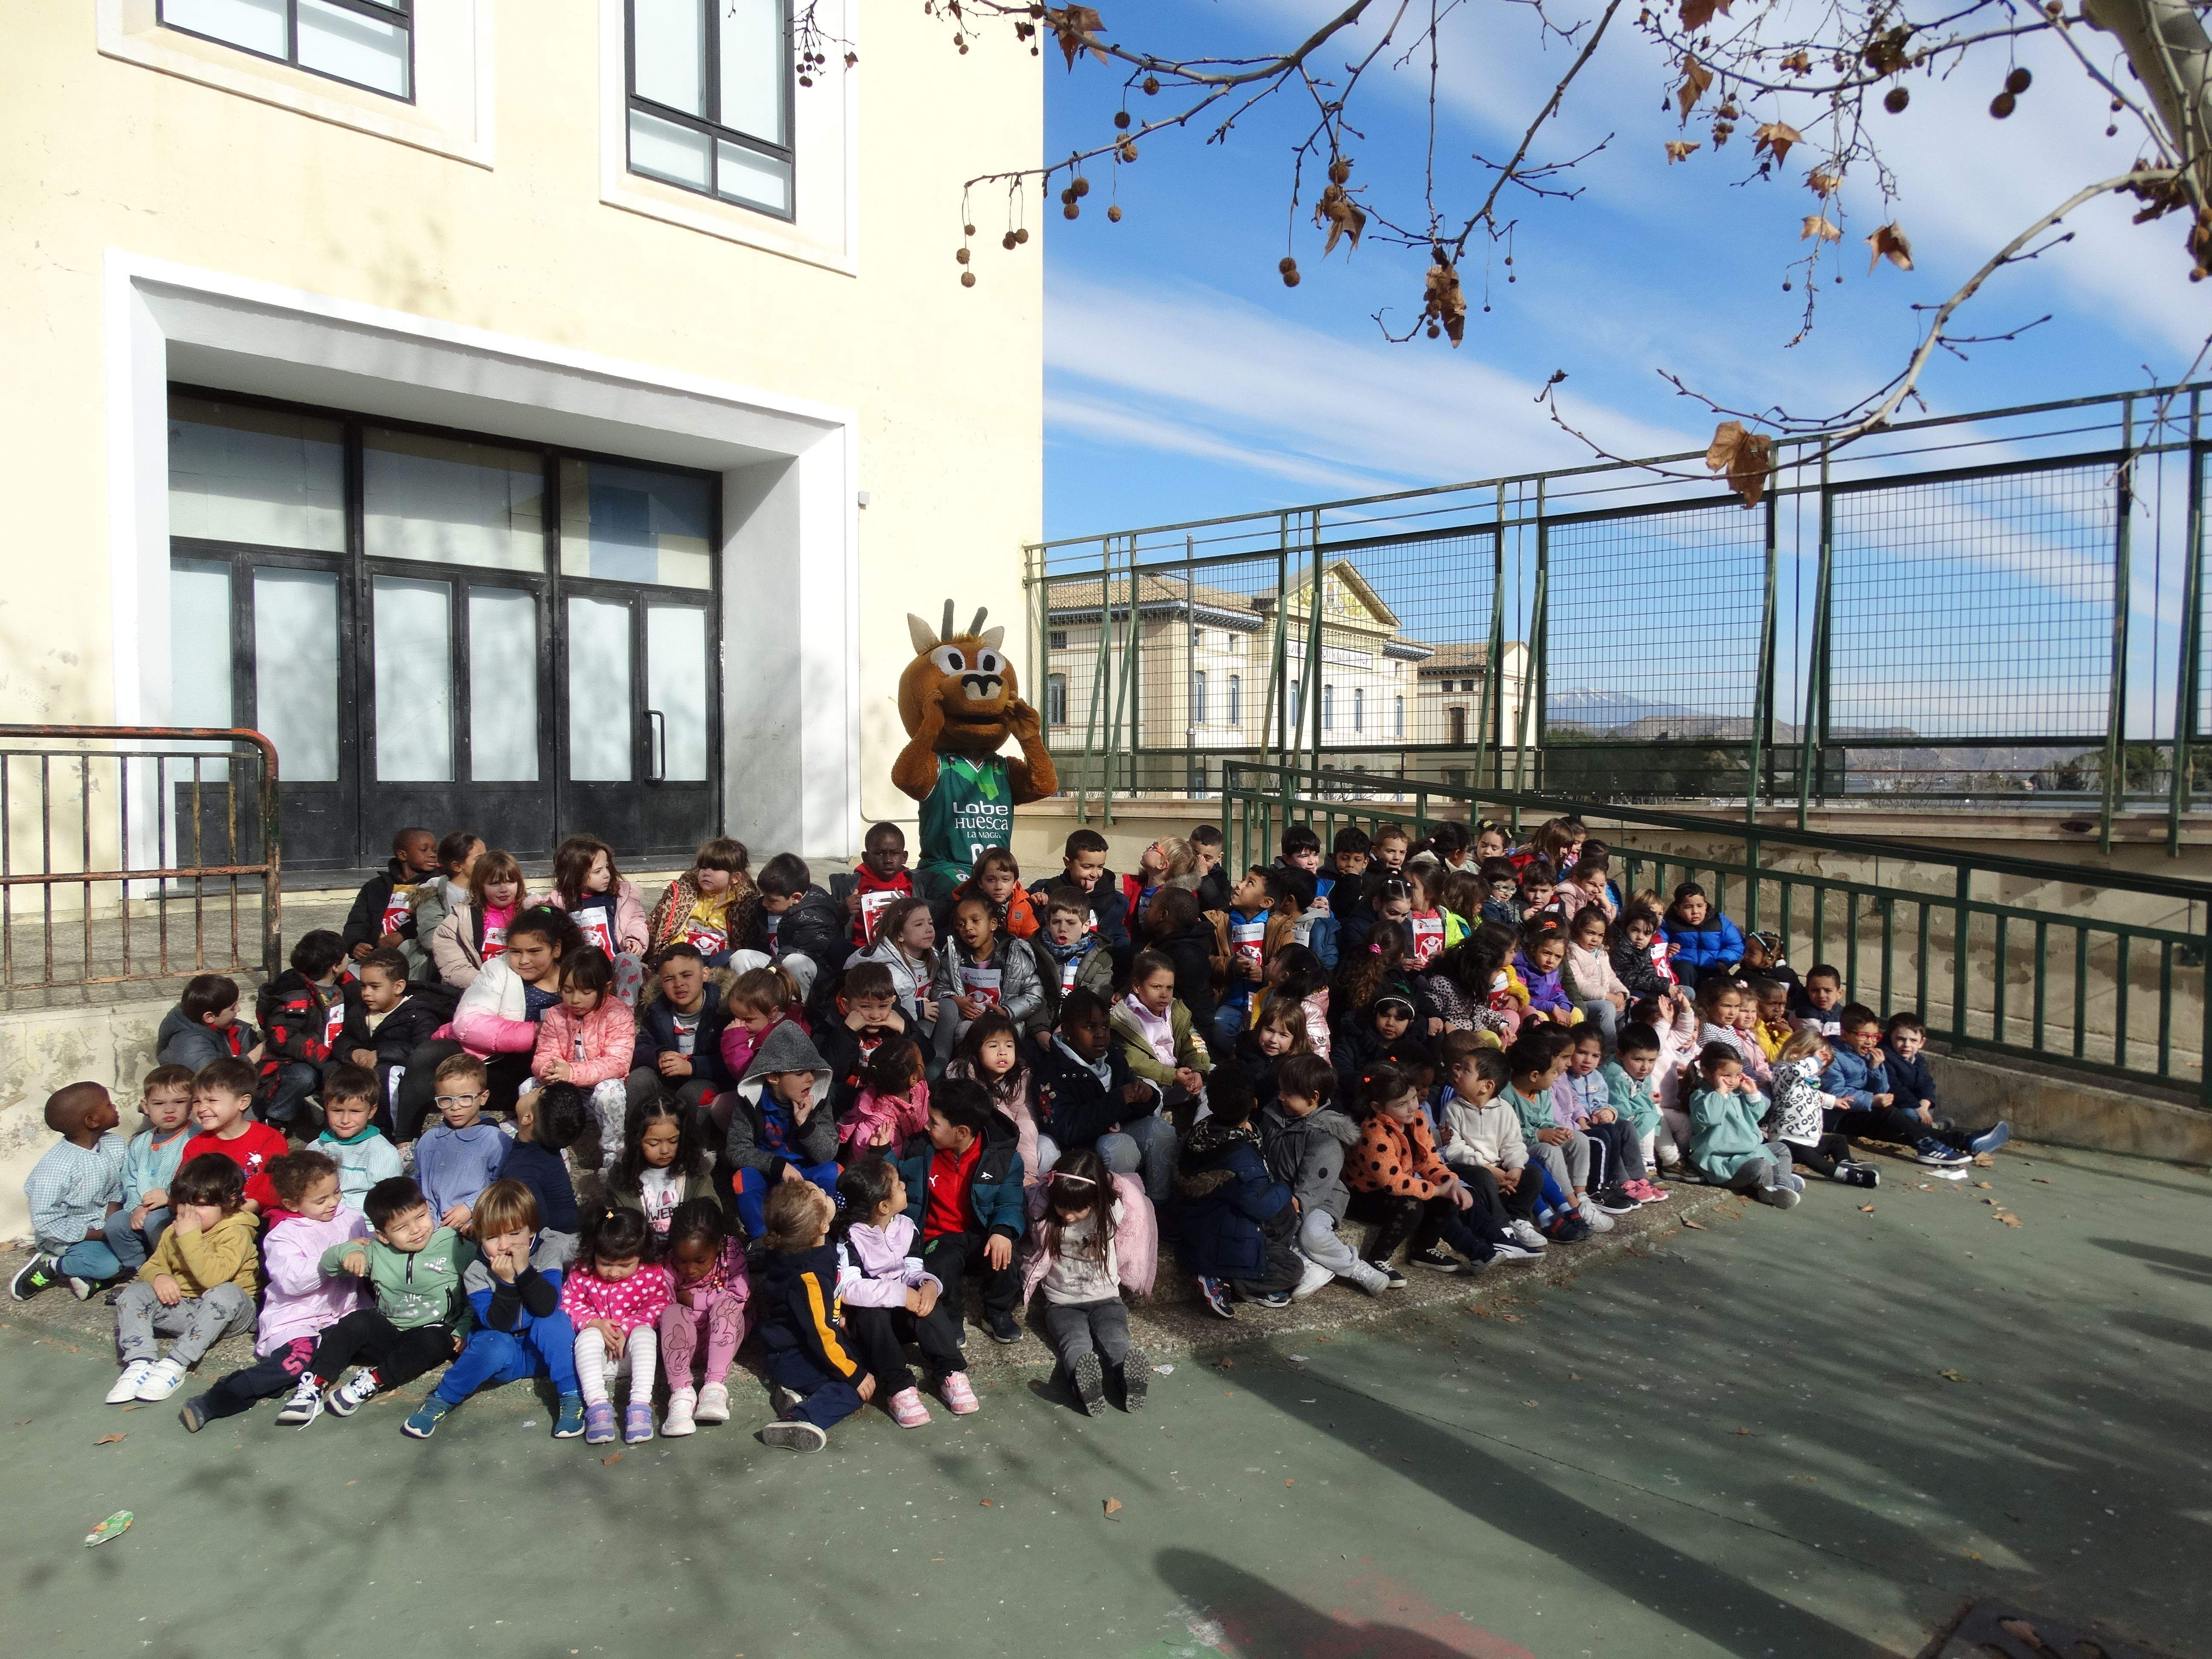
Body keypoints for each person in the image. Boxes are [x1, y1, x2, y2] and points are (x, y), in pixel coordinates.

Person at [182, 1151, 366, 1429]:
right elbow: (293, 1281)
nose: (333, 1203)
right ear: (292, 1204)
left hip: (344, 1314)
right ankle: (219, 1398)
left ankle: (287, 1387)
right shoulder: (283, 1235)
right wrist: (337, 1257)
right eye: (321, 1200)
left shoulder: (351, 1218)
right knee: (295, 1362)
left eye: (337, 1192)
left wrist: (372, 1246)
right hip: (298, 1319)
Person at [402, 1179, 584, 1441]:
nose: (503, 1246)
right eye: (492, 1237)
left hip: (542, 1354)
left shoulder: (547, 1252)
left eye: (514, 1234)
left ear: (532, 1230)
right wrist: (507, 1283)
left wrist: (524, 1271)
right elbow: (499, 1324)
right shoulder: (478, 1271)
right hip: (504, 1357)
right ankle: (442, 1399)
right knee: (492, 1342)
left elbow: (546, 1306)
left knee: (554, 1322)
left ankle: (571, 1395)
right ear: (479, 1236)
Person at [289, 1175, 474, 1426]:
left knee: (436, 1341)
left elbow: (477, 1291)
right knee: (356, 1321)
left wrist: (464, 1328)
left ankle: (372, 1381)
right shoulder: (377, 1251)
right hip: (389, 1333)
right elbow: (328, 1264)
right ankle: (317, 1383)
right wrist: (350, 1250)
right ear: (384, 1236)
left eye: (420, 1217)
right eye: (401, 1227)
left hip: (433, 1332)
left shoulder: (454, 1245)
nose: (416, 1229)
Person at [399, 905, 579, 1138]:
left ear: (556, 949)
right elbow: (467, 1023)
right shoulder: (497, 969)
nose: (524, 960)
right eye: (516, 952)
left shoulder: (575, 977)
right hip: (498, 1065)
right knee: (429, 1054)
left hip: (552, 1070)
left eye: (534, 951)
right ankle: (404, 1141)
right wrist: (535, 1031)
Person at [102, 1153, 258, 1403]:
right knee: (133, 1293)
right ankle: (140, 1361)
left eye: (202, 1205)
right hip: (187, 1309)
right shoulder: (174, 1230)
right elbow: (151, 1266)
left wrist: (190, 1237)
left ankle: (176, 1364)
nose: (191, 1213)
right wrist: (160, 1276)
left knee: (224, 1293)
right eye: (185, 1205)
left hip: (230, 1314)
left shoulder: (235, 1232)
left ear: (229, 1203)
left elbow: (214, 1278)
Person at [835, 1156, 976, 1426]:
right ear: (884, 1206)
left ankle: (951, 1371)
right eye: (899, 1185)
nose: (904, 1186)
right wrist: (900, 1294)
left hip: (901, 1317)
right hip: (869, 1327)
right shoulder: (850, 1237)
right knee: (871, 1314)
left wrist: (929, 1285)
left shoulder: (906, 1226)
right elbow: (850, 1288)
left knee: (929, 1306)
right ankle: (899, 1387)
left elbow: (913, 1268)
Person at [1022, 1148, 1155, 1413]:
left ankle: (1127, 1378)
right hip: (1062, 1303)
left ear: (1096, 1200)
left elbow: (1125, 1199)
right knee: (1075, 1342)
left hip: (1106, 1297)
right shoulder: (1046, 1212)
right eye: (1062, 1206)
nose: (1068, 1216)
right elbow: (1036, 1196)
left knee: (1116, 1338)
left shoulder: (1113, 1209)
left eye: (1077, 1210)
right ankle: (1085, 1383)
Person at [895, 1080, 1027, 1344]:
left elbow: (1011, 1202)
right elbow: (892, 1181)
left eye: (934, 1122)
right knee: (940, 1266)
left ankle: (998, 1312)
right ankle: (952, 1318)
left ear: (962, 1132)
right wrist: (881, 1154)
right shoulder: (920, 1150)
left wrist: (1002, 1231)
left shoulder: (1002, 1159)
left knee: (1004, 1259)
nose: (926, 1127)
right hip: (939, 1236)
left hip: (980, 1234)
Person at [1345, 1060, 1500, 1282]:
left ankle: (1424, 1250)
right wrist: (1437, 1191)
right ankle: (1377, 1258)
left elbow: (1429, 1161)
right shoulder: (1374, 1133)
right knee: (1413, 1206)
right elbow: (1393, 1183)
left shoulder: (1416, 1119)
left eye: (1414, 1098)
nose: (1412, 1107)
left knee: (1449, 1198)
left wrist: (1452, 1184)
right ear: (1378, 1107)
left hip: (1397, 1187)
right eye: (1401, 1104)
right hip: (1365, 1195)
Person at [1259, 1052, 1391, 1297]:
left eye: (1289, 1093)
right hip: (1282, 1193)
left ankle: (1356, 1269)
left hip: (1321, 1197)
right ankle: (1313, 1267)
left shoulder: (1325, 1136)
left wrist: (1295, 1210)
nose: (1281, 1098)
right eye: (1281, 1091)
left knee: (1312, 1233)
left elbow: (1314, 1184)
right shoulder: (1275, 1116)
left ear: (1313, 1099)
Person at [1030, 988, 1176, 1208]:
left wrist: (1145, 1097)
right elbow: (1066, 1129)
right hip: (1078, 1150)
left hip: (1115, 1129)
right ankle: (1120, 1209)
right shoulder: (1052, 1072)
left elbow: (1132, 1106)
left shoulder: (1114, 1057)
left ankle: (1158, 1205)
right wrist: (1119, 1100)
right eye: (1090, 1027)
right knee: (1119, 1146)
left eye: (1106, 1027)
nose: (1100, 1034)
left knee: (1162, 1131)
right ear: (1068, 1031)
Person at [754, 1181, 871, 1453]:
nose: (827, 1193)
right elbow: (821, 1335)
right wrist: (855, 1375)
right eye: (822, 1194)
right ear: (822, 1227)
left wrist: (838, 1314)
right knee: (854, 1388)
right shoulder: (810, 1277)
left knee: (858, 1359)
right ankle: (800, 1419)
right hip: (795, 1354)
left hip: (789, 1348)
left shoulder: (794, 1247)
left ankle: (794, 1395)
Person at [1178, 1067, 1303, 1316]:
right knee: (1294, 1268)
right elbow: (1261, 1206)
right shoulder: (1239, 1154)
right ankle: (1232, 1279)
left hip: (1210, 1219)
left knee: (1286, 1214)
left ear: (1210, 1104)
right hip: (1216, 1238)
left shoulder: (1205, 1131)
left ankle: (1250, 1266)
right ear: (1255, 1104)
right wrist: (1285, 1189)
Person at [561, 1205, 671, 1445]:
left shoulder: (651, 1273)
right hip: (596, 1361)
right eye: (606, 1263)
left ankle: (640, 1406)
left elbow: (661, 1306)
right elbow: (569, 1303)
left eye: (624, 1265)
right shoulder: (582, 1271)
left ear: (640, 1255)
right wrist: (595, 1323)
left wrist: (628, 1326)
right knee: (587, 1335)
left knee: (645, 1334)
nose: (613, 1272)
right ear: (593, 1253)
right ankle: (598, 1408)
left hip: (634, 1358)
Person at [1823, 1005, 1985, 1169]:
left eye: (1874, 1036)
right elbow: (1836, 1093)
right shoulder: (1833, 1057)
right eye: (1864, 1036)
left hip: (1863, 1112)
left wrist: (1876, 1069)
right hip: (1839, 1117)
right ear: (1845, 1035)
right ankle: (1929, 1148)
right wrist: (1871, 1100)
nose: (1870, 1041)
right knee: (1891, 1116)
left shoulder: (1867, 1054)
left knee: (1904, 1130)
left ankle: (1963, 1141)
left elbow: (1881, 1089)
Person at [13, 1081, 130, 1301]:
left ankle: (88, 1279)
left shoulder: (115, 1145)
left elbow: (119, 1186)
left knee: (140, 1253)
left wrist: (114, 1219)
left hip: (108, 1226)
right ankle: (53, 1265)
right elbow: (46, 1221)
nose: (115, 1108)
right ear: (92, 1121)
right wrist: (100, 1235)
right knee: (107, 1265)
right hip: (71, 1237)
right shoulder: (56, 1168)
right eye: (108, 1105)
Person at [727, 1020, 841, 1240]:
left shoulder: (818, 1099)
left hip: (806, 1173)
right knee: (744, 1179)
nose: (810, 1078)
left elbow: (828, 1153)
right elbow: (736, 1150)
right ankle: (760, 1239)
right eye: (799, 1073)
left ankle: (823, 1231)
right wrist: (778, 1167)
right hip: (769, 1173)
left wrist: (806, 1125)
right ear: (773, 1077)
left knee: (833, 1171)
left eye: (811, 1071)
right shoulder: (752, 1100)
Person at [1434, 1038, 1550, 1253]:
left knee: (1533, 1173)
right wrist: (1490, 1170)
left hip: (1497, 1167)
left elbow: (1513, 1143)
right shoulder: (1453, 1109)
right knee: (1484, 1178)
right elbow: (1455, 1149)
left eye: (1466, 1070)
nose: (1457, 1073)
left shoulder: (1504, 1110)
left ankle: (1519, 1219)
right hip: (1469, 1168)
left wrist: (1515, 1169)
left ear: (1487, 1086)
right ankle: (1502, 1229)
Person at [533, 946, 638, 1169]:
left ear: (606, 988)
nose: (575, 999)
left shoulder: (618, 1014)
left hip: (597, 1094)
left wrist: (571, 1073)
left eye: (585, 992)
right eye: (568, 990)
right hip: (567, 1094)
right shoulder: (556, 1015)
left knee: (611, 1091)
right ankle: (554, 1146)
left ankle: (613, 1152)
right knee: (528, 1088)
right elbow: (544, 1053)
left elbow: (618, 1063)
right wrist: (547, 1070)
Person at [334, 946, 454, 1129]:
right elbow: (343, 1039)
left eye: (375, 987)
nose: (366, 993)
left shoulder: (419, 1015)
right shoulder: (359, 1011)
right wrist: (352, 1051)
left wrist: (380, 1054)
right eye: (363, 986)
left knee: (386, 1072)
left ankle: (391, 1132)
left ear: (398, 987)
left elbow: (423, 1052)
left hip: (405, 1078)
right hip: (365, 1072)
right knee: (332, 1070)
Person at [657, 1198, 749, 1436]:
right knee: (670, 1312)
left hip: (722, 1341)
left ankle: (714, 1389)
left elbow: (740, 1297)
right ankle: (680, 1396)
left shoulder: (731, 1253)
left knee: (726, 1307)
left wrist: (695, 1301)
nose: (690, 1269)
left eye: (700, 1261)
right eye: (683, 1260)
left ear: (718, 1245)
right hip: (686, 1345)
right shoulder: (669, 1263)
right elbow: (666, 1303)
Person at [1500, 1031, 1603, 1239]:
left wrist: (1557, 1129)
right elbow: (1507, 1133)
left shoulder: (1542, 1091)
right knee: (1550, 1150)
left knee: (1580, 1139)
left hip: (1540, 1136)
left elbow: (1547, 1118)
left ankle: (1581, 1195)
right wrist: (1539, 1135)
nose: (1558, 1076)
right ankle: (1571, 1206)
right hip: (1520, 1146)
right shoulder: (1507, 1094)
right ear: (1535, 1076)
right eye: (1553, 1073)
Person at [251, 928, 349, 1134]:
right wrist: (324, 1058)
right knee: (304, 1077)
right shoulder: (296, 993)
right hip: (293, 1062)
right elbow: (284, 1036)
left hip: (335, 1054)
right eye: (345, 955)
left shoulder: (345, 985)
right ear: (335, 966)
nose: (350, 957)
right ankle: (276, 1121)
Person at [628, 942, 733, 1124]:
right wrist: (659, 1055)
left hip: (706, 1080)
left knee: (693, 1094)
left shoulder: (724, 1009)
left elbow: (732, 1061)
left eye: (687, 975)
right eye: (669, 979)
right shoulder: (657, 1010)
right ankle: (637, 1140)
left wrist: (693, 1067)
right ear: (661, 982)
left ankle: (697, 1148)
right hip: (667, 1079)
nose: (679, 984)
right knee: (639, 1079)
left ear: (705, 974)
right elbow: (640, 1048)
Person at [1687, 1042, 1801, 1207]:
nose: (1733, 1081)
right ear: (1705, 1072)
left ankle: (1782, 1186)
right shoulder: (1701, 1096)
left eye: (1737, 1075)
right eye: (1726, 1075)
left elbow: (1756, 1115)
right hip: (1723, 1162)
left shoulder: (1738, 1094)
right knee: (1761, 1167)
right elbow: (1711, 1118)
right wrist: (1720, 1094)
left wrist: (1753, 1094)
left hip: (1749, 1152)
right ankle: (1769, 1190)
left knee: (1781, 1150)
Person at [108, 1065, 197, 1275]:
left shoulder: (195, 1138)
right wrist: (136, 1207)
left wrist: (169, 1197)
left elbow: (194, 1178)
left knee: (156, 1222)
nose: (169, 1110)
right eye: (159, 1104)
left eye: (179, 1102)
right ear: (146, 1107)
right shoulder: (141, 1143)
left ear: (193, 1104)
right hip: (141, 1207)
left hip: (175, 1207)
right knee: (115, 1224)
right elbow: (130, 1180)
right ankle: (138, 1268)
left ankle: (172, 1269)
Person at [1883, 1012, 2010, 1158]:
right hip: (1900, 1106)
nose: (1907, 1045)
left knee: (1920, 1115)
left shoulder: (1917, 1059)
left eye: (1913, 1040)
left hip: (1916, 1107)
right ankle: (1946, 1133)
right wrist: (1918, 1108)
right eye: (1900, 1039)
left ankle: (1937, 1129)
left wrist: (1925, 1105)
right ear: (1890, 1036)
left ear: (1922, 1043)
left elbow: (1927, 1083)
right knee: (1910, 1116)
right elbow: (1894, 1087)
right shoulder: (1886, 1057)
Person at [1113, 948, 1213, 1132]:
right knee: (1145, 1088)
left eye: (1169, 988)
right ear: (1136, 986)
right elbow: (1135, 1062)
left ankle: (1205, 1130)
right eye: (1156, 987)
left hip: (1180, 1080)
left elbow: (1194, 1042)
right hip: (1152, 1081)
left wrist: (1198, 1071)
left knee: (1214, 1074)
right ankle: (1155, 1133)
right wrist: (1172, 1076)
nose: (1164, 994)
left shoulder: (1176, 1010)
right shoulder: (1121, 1019)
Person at [415, 1052, 513, 1234]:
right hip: (430, 1229)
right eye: (446, 1100)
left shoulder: (495, 1140)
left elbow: (503, 1185)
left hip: (472, 1226)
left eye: (465, 1098)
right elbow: (420, 1181)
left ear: (483, 1097)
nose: (455, 1107)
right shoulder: (429, 1139)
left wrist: (470, 1206)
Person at [943, 1011, 1045, 1187]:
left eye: (1009, 1046)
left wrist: (1027, 1172)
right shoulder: (962, 1080)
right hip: (980, 1152)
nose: (1003, 1053)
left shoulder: (1023, 1079)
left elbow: (1027, 1124)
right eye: (993, 1046)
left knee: (1047, 1148)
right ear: (976, 1050)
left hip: (1017, 1147)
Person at [934, 891, 1042, 1054]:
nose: (968, 928)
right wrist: (953, 999)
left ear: (993, 924)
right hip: (966, 1029)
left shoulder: (1014, 956)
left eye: (975, 921)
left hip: (1005, 1029)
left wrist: (1007, 1011)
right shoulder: (953, 956)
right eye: (961, 924)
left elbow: (1034, 994)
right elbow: (938, 987)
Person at [1767, 1032, 1880, 1187]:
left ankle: (1846, 1163)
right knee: (1805, 1154)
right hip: (1787, 1141)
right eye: (1819, 1064)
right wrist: (1815, 1061)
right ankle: (1842, 1175)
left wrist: (1835, 1101)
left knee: (1837, 1140)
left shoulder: (1808, 1081)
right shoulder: (1783, 1074)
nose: (1820, 1069)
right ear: (1795, 1054)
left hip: (1811, 1140)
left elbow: (1814, 1095)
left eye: (1823, 1066)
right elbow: (1796, 1072)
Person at [1552, 1025, 1645, 1211]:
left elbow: (1603, 1102)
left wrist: (1608, 1112)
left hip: (1596, 1122)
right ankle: (1601, 1187)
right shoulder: (1563, 1076)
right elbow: (1570, 1108)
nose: (1588, 1060)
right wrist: (1584, 1122)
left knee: (1624, 1127)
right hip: (1577, 1126)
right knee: (1607, 1134)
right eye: (1581, 1053)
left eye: (1595, 1056)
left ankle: (1635, 1180)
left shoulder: (1597, 1078)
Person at [181, 1058, 289, 1215]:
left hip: (256, 1220)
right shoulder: (195, 1146)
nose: (202, 1108)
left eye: (212, 1100)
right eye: (197, 1101)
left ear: (243, 1102)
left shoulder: (269, 1139)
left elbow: (277, 1186)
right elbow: (184, 1191)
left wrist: (250, 1208)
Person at [608, 1089, 719, 1239]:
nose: (665, 1150)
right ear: (637, 1141)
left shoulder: (696, 1171)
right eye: (654, 1144)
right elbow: (611, 1218)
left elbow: (712, 1211)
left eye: (673, 1141)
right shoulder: (622, 1177)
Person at [1207, 864, 1293, 1048]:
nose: (1239, 885)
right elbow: (1205, 960)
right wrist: (1231, 966)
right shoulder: (1219, 922)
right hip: (1230, 1001)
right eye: (1243, 880)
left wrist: (1265, 974)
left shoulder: (1280, 928)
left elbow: (1290, 967)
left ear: (1267, 902)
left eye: (1250, 884)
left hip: (1266, 1004)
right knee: (1218, 1029)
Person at [812, 958, 908, 1123]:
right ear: (847, 1005)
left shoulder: (893, 1012)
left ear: (891, 1001)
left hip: (885, 1092)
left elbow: (925, 1056)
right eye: (865, 1007)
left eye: (882, 1006)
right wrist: (846, 1032)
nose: (875, 1015)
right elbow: (827, 1073)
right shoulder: (829, 1020)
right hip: (847, 1095)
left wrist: (904, 1031)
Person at [830, 821, 946, 952]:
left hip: (910, 955)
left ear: (904, 857)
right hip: (861, 954)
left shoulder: (919, 882)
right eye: (880, 853)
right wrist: (843, 911)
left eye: (894, 853)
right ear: (866, 857)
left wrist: (914, 906)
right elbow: (826, 922)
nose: (888, 860)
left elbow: (946, 912)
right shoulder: (849, 885)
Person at [645, 836, 759, 968]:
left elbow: (752, 942)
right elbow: (655, 923)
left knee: (728, 957)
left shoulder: (745, 905)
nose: (707, 873)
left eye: (716, 869)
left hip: (716, 963)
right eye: (704, 868)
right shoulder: (683, 895)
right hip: (681, 959)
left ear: (735, 878)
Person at [1025, 827, 1131, 969]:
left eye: (1100, 867)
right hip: (1055, 967)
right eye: (1087, 867)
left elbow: (1118, 939)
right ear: (1068, 863)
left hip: (1097, 970)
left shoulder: (1114, 901)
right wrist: (1037, 897)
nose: (1094, 874)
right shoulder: (1050, 891)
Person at [848, 894, 943, 1050]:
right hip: (879, 1027)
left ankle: (937, 1059)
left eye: (930, 923)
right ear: (900, 935)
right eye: (919, 925)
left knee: (945, 1009)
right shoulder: (890, 970)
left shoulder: (931, 954)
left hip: (913, 1016)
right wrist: (917, 1009)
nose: (929, 929)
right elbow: (883, 1006)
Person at [427, 847, 530, 990]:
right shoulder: (456, 922)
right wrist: (495, 985)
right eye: (494, 883)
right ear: (480, 886)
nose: (504, 889)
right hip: (482, 990)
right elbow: (456, 969)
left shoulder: (535, 913)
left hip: (530, 986)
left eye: (510, 882)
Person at [342, 826, 441, 966]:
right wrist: (356, 944)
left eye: (434, 850)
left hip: (414, 955)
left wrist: (402, 935)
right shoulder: (376, 887)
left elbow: (433, 921)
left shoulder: (436, 884)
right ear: (403, 856)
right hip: (374, 956)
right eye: (424, 850)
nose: (432, 855)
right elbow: (357, 921)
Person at [498, 1080, 585, 1238]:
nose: (532, 1090)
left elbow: (536, 1224)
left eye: (534, 1093)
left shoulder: (522, 1168)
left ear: (527, 1118)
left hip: (556, 1243)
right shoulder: (549, 1149)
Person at [545, 835, 651, 965]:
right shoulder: (560, 904)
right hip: (579, 969)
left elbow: (636, 921)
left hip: (614, 964)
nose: (607, 874)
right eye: (598, 871)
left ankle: (625, 986)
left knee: (630, 962)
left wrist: (634, 939)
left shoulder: (619, 897)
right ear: (575, 875)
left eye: (607, 867)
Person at [751, 852, 847, 995]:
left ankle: (797, 1012)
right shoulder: (768, 908)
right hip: (775, 964)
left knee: (795, 962)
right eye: (763, 896)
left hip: (815, 979)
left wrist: (762, 979)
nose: (764, 903)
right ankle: (750, 1008)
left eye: (771, 899)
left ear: (796, 898)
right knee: (742, 957)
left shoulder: (817, 917)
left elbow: (793, 954)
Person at [311, 1065, 405, 1211]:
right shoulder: (316, 1148)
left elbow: (389, 1201)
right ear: (326, 1107)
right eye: (337, 1111)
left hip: (364, 1223)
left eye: (355, 1111)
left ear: (372, 1111)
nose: (345, 1120)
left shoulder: (382, 1151)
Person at [1598, 1025, 1673, 1202]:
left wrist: (1647, 1100)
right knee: (1650, 1113)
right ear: (1620, 1054)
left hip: (1632, 1119)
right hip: (1615, 1124)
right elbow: (1621, 1112)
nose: (1645, 1067)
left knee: (1654, 1111)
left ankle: (1670, 1159)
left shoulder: (1639, 1072)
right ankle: (1646, 1168)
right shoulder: (1616, 1075)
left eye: (1651, 1061)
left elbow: (1641, 1098)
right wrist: (1646, 1101)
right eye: (1639, 1059)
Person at [1031, 887, 1115, 1027]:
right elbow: (1031, 995)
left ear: (1085, 926)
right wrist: (1040, 1030)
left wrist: (1070, 1027)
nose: (1062, 929)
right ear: (1048, 923)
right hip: (1039, 1027)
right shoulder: (1034, 953)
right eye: (1056, 922)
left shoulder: (1100, 959)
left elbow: (1098, 997)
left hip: (1080, 1027)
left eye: (1071, 923)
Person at [407, 830, 484, 982]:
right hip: (443, 972)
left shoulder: (491, 890)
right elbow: (430, 938)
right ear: (457, 866)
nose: (488, 863)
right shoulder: (433, 893)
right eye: (480, 859)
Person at [842, 1035, 931, 1158]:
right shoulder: (878, 1127)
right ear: (913, 1078)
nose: (924, 1063)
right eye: (921, 1062)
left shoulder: (918, 1088)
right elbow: (888, 1163)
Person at [156, 973, 260, 1073]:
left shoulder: (209, 1023)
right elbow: (216, 1080)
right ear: (209, 1017)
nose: (238, 1009)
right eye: (232, 1008)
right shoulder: (190, 1046)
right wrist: (253, 1057)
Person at [1561, 907, 1629, 1049]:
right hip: (1585, 1004)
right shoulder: (1573, 952)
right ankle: (1610, 1050)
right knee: (1607, 1008)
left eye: (1600, 935)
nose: (1595, 939)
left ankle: (1625, 1046)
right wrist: (1607, 996)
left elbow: (1611, 978)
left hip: (1607, 1000)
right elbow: (1578, 985)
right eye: (1590, 933)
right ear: (1578, 930)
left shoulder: (1602, 952)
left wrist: (1621, 994)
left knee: (1632, 1005)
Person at [1661, 882, 1744, 990]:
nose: (1695, 912)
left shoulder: (1718, 921)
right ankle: (1684, 1002)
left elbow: (1736, 945)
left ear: (1706, 906)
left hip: (1712, 967)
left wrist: (1723, 961)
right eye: (1688, 907)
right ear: (1678, 910)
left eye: (1700, 906)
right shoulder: (1669, 924)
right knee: (1684, 969)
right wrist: (1667, 952)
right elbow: (1657, 946)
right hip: (1683, 970)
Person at [1513, 917, 1580, 1031]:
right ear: (1534, 950)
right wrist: (1552, 1007)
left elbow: (1557, 991)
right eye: (1546, 953)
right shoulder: (1522, 969)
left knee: (1576, 1014)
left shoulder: (1552, 971)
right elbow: (1522, 998)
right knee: (1541, 1019)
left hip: (1551, 1008)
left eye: (1558, 957)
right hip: (1531, 1011)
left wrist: (1564, 1007)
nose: (1551, 961)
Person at [1792, 964, 1846, 1039]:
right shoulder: (1804, 1014)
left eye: (1828, 991)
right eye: (1815, 990)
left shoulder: (1843, 1014)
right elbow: (1823, 1042)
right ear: (1808, 992)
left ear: (1839, 994)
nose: (1821, 995)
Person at [1190, 822, 1232, 912]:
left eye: (1207, 858)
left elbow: (1221, 909)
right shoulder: (1178, 868)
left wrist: (1204, 879)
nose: (1200, 861)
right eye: (1196, 854)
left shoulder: (1221, 881)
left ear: (1218, 858)